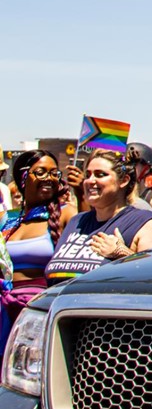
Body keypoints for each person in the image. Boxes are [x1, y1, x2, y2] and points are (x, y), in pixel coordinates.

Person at [45, 150, 152, 286]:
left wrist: (122, 254)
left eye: (100, 175)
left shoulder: (148, 224)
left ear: (124, 181)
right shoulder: (76, 222)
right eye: (88, 175)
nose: (90, 181)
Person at [0, 150, 76, 352]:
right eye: (41, 172)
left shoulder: (65, 213)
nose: (49, 178)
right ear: (22, 177)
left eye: (54, 173)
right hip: (4, 309)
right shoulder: (7, 220)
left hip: (40, 309)